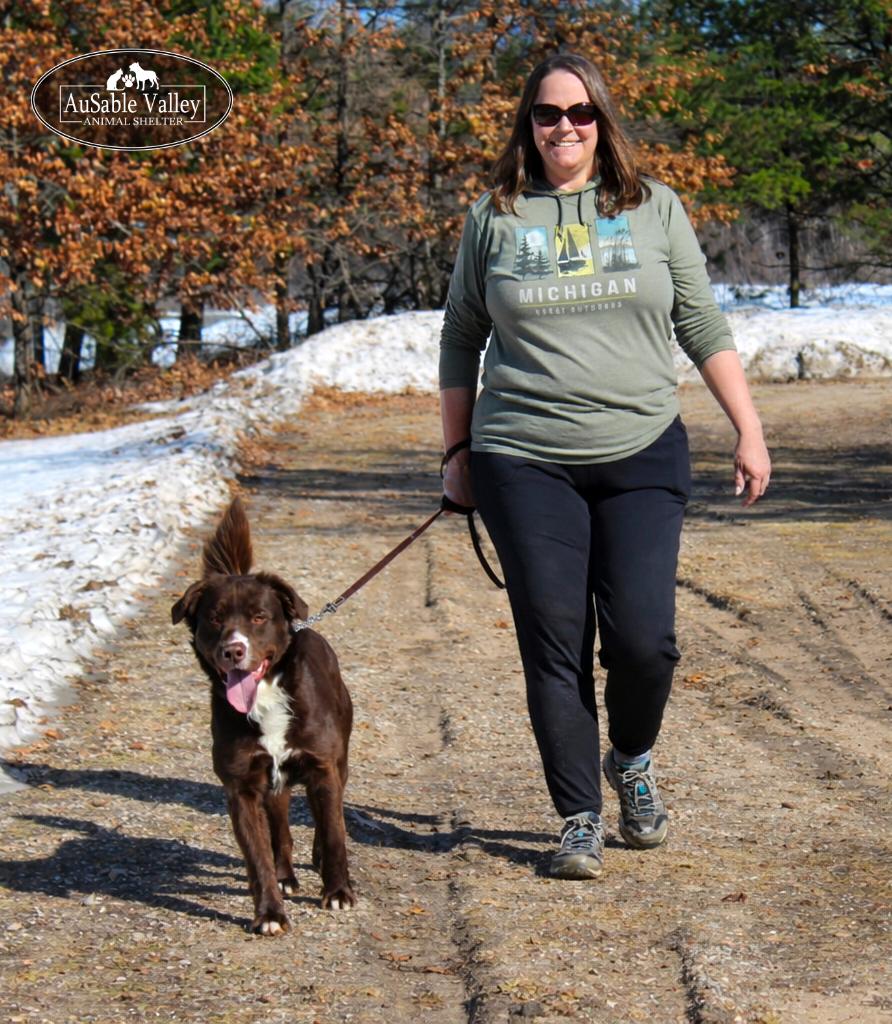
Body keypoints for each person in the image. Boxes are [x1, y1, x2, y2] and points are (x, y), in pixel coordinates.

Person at [438, 53, 770, 879]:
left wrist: (749, 428)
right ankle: (578, 816)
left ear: (603, 121)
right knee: (554, 641)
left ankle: (632, 760)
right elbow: (461, 337)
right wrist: (455, 451)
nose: (564, 128)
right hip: (522, 457)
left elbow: (700, 320)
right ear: (528, 124)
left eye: (580, 113)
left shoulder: (653, 208)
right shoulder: (496, 216)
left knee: (645, 641)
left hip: (642, 447)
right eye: (548, 114)